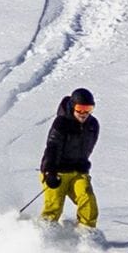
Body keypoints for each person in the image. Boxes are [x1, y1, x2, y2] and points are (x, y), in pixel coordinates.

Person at [39, 87, 102, 241]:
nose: (84, 113)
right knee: (54, 206)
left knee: (87, 198)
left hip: (77, 171)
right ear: (73, 106)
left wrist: (83, 164)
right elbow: (52, 147)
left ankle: (87, 235)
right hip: (56, 171)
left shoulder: (93, 124)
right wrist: (50, 172)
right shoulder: (62, 123)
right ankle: (44, 238)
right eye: (80, 109)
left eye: (88, 109)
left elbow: (87, 148)